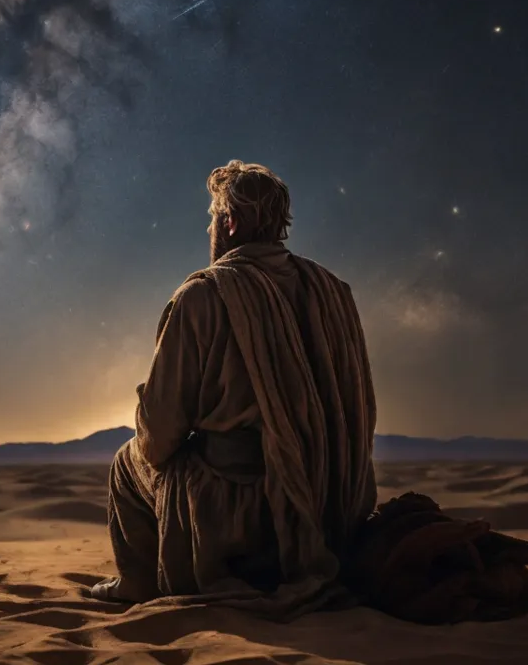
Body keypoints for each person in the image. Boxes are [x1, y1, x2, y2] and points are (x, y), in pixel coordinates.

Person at [90, 160, 378, 620]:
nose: (209, 227)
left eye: (211, 217)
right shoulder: (333, 292)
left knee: (128, 462)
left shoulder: (203, 296)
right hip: (326, 504)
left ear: (230, 222)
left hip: (238, 511)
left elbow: (160, 436)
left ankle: (138, 583)